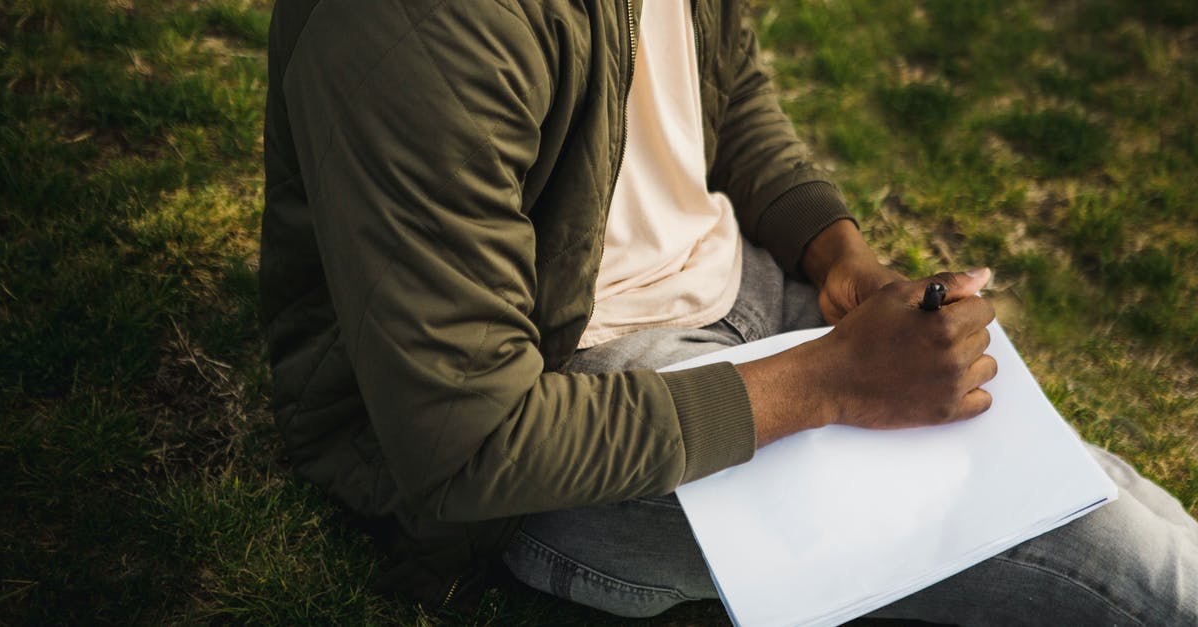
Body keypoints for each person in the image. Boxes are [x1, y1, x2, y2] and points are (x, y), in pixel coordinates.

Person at [259, 0, 1198, 622]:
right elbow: (472, 441)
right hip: (574, 398)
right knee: (1121, 570)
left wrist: (839, 255)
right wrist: (832, 380)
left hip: (745, 289)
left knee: (1078, 478)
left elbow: (725, 94)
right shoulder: (420, 26)